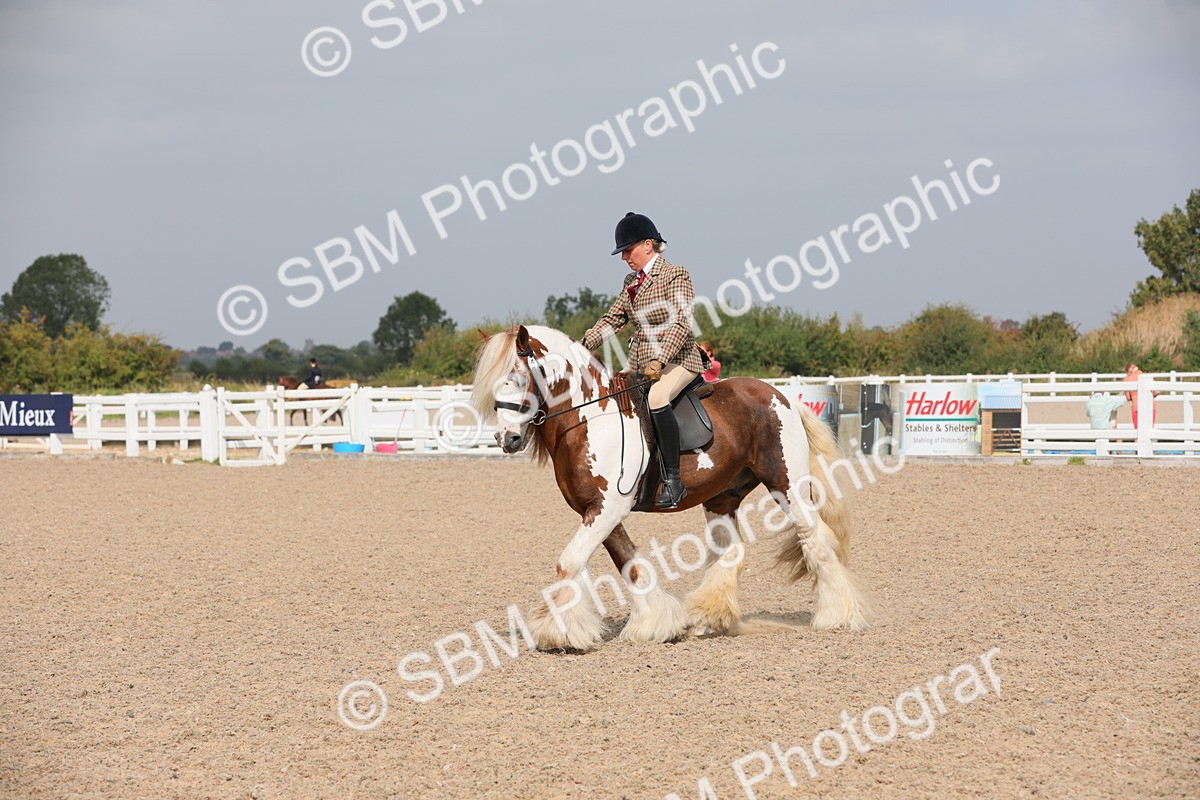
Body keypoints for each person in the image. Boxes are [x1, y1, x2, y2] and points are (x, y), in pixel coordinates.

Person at [581, 212, 703, 508]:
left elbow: (683, 323)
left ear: (648, 245)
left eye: (627, 249)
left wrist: (660, 361)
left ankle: (673, 480)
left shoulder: (676, 275)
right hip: (640, 363)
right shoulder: (631, 281)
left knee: (658, 399)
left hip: (679, 360)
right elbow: (613, 319)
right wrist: (581, 346)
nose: (624, 257)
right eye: (622, 251)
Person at [1122, 363, 1158, 429]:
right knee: (1150, 429)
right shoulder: (1146, 376)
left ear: (1128, 371)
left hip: (1136, 407)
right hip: (1150, 406)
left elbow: (1128, 398)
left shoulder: (1127, 380)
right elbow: (1157, 392)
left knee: (1138, 430)